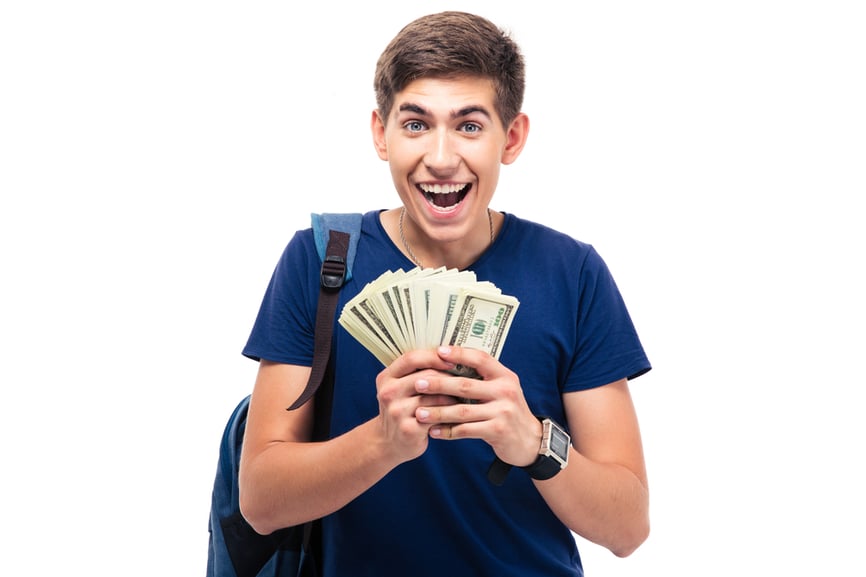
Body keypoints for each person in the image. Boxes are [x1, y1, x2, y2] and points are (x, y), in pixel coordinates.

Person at [238, 11, 651, 577]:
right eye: (415, 124)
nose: (439, 157)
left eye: (469, 125)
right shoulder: (318, 261)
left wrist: (532, 442)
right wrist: (382, 441)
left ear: (512, 137)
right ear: (380, 134)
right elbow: (260, 502)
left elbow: (627, 527)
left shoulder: (572, 272)